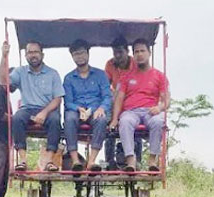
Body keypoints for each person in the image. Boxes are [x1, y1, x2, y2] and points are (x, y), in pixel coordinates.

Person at [0, 40, 64, 172]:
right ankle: (23, 159)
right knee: (17, 118)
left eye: (35, 52)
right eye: (29, 52)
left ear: (42, 54)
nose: (33, 55)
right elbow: (4, 82)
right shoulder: (20, 72)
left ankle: (50, 160)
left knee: (55, 120)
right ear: (26, 56)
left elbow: (57, 99)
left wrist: (44, 113)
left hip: (47, 108)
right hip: (27, 108)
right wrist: (4, 56)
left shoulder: (52, 73)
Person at [110, 38, 170, 172]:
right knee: (124, 121)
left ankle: (153, 160)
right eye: (136, 52)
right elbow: (119, 98)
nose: (139, 54)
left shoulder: (159, 76)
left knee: (158, 121)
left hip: (150, 110)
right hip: (131, 111)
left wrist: (159, 108)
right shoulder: (126, 76)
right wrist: (114, 119)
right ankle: (130, 160)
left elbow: (166, 100)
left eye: (142, 51)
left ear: (149, 53)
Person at [62, 39, 112, 172]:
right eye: (76, 54)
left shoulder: (101, 75)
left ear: (88, 54)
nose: (80, 56)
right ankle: (75, 161)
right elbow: (68, 102)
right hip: (77, 110)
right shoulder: (69, 78)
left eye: (82, 53)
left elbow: (107, 96)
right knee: (69, 119)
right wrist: (78, 109)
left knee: (101, 119)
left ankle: (91, 161)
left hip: (95, 109)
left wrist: (102, 108)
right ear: (72, 56)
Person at [103, 36, 142, 170]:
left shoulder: (137, 65)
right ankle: (109, 161)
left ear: (127, 51)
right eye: (115, 53)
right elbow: (105, 86)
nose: (117, 56)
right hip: (115, 100)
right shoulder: (110, 64)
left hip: (133, 100)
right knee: (108, 124)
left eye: (120, 52)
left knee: (136, 127)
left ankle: (137, 160)